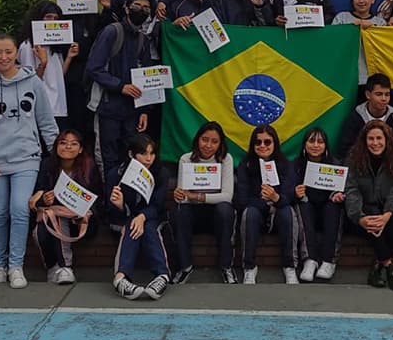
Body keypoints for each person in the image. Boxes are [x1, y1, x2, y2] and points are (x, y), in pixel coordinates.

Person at [0, 33, 60, 289]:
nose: (4, 57)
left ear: (16, 53)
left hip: (26, 157)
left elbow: (46, 121)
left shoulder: (33, 82)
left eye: (8, 51)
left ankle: (16, 267)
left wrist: (55, 157)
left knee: (20, 210)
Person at [86, 0, 155, 225]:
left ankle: (130, 210)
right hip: (108, 109)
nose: (141, 11)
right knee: (108, 162)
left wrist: (144, 109)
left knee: (133, 161)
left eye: (146, 8)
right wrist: (120, 86)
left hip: (132, 113)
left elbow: (147, 77)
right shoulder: (111, 32)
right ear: (126, 7)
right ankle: (112, 215)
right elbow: (94, 68)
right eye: (137, 6)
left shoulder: (143, 39)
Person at [335, 74, 393, 236]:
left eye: (387, 95)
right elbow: (343, 151)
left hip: (390, 168)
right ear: (368, 95)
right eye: (379, 94)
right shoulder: (354, 118)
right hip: (361, 169)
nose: (384, 99)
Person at [344, 120, 393, 293]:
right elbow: (351, 190)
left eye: (379, 138)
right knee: (371, 214)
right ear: (364, 141)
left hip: (387, 209)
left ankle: (379, 265)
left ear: (387, 139)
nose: (375, 143)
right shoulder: (353, 158)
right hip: (365, 210)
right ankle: (389, 266)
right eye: (371, 139)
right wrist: (360, 217)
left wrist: (387, 214)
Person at [28, 129, 99, 285]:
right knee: (40, 231)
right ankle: (53, 267)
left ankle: (65, 266)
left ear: (80, 149)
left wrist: (86, 212)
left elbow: (96, 198)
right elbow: (37, 196)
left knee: (57, 217)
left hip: (81, 221)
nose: (68, 147)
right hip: (51, 218)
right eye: (63, 143)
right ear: (56, 146)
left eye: (73, 144)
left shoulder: (89, 167)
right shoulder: (47, 165)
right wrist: (45, 200)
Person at [171, 121, 237, 285]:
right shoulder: (186, 159)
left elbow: (227, 196)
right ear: (197, 140)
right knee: (180, 210)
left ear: (220, 143)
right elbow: (184, 198)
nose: (208, 145)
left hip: (217, 215)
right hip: (194, 214)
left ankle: (226, 267)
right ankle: (184, 267)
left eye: (214, 141)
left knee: (225, 209)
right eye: (204, 139)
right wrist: (179, 195)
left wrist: (198, 196)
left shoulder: (225, 159)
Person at [109, 134, 171, 300]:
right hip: (125, 218)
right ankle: (121, 278)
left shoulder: (161, 173)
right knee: (131, 225)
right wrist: (120, 205)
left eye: (152, 153)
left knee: (149, 227)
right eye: (143, 153)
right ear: (131, 154)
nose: (148, 158)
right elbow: (109, 210)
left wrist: (142, 216)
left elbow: (158, 205)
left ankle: (162, 276)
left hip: (152, 217)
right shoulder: (117, 173)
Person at [236, 125, 299, 284]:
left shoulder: (286, 164)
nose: (262, 146)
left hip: (279, 211)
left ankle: (290, 267)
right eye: (258, 142)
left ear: (274, 143)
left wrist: (276, 198)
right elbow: (242, 199)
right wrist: (265, 202)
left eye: (267, 142)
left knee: (288, 212)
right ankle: (249, 267)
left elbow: (290, 195)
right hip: (257, 212)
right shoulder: (246, 165)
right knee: (249, 213)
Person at [292, 127, 344, 282]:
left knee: (334, 207)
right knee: (303, 205)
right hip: (307, 212)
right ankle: (310, 260)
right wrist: (295, 193)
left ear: (326, 145)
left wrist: (339, 195)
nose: (315, 145)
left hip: (328, 211)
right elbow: (287, 192)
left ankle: (328, 261)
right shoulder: (296, 165)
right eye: (311, 141)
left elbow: (345, 189)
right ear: (304, 145)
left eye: (320, 142)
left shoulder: (336, 164)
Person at [18, 1, 79, 130]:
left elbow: (58, 76)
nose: (52, 22)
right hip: (40, 108)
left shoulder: (56, 45)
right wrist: (43, 64)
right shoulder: (28, 46)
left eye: (56, 18)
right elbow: (29, 82)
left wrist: (69, 57)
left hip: (59, 106)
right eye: (48, 17)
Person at [61, 0, 101, 143]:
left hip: (90, 78)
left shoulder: (93, 18)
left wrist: (106, 8)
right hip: (68, 77)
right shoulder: (60, 19)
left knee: (88, 124)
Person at [333, 0, 387, 87]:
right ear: (352, 1)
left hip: (371, 79)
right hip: (345, 77)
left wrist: (373, 29)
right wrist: (349, 29)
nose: (361, 1)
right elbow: (333, 42)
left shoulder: (380, 22)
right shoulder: (341, 18)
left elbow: (385, 49)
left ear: (373, 0)